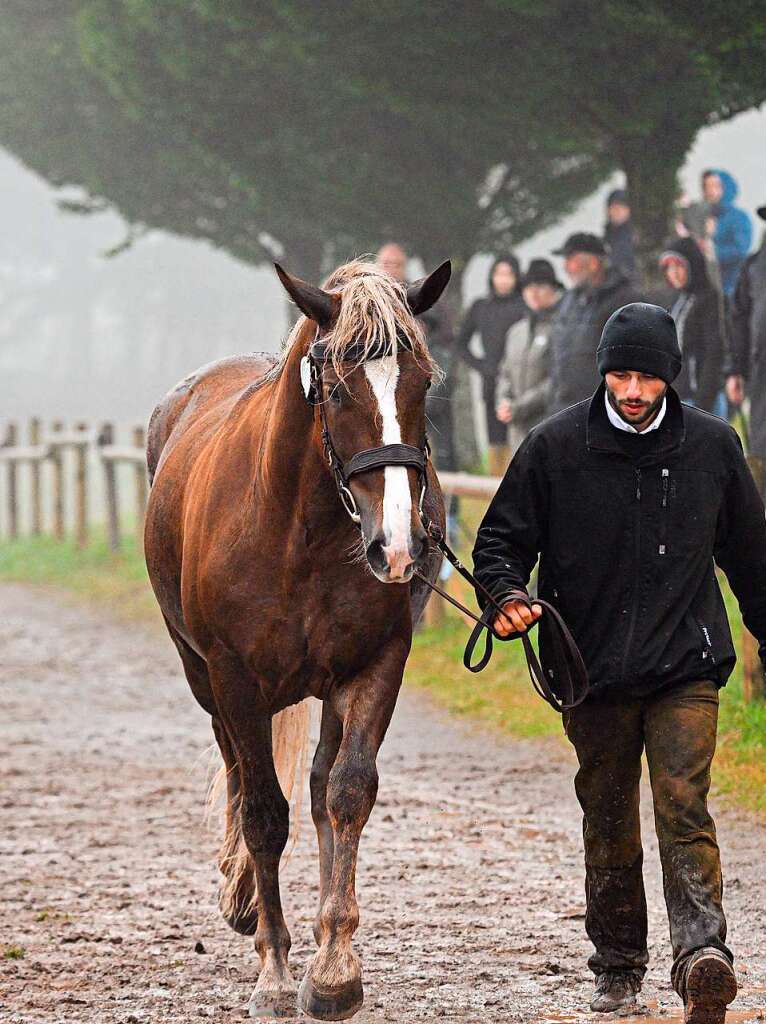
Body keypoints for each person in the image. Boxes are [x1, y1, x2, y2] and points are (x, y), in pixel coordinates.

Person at [473, 303, 766, 1022]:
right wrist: (507, 595)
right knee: (608, 817)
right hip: (590, 668)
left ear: (670, 377)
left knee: (682, 801)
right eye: (621, 374)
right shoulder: (553, 446)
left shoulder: (712, 447)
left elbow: (753, 560)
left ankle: (703, 956)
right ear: (603, 372)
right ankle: (618, 960)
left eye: (647, 376)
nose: (633, 390)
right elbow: (499, 544)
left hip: (685, 664)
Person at [547, 232, 638, 414]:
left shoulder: (623, 299)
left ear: (593, 264)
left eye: (571, 260)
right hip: (566, 410)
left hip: (606, 413)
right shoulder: (568, 303)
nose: (565, 268)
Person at [456, 255, 527, 474]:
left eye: (509, 275)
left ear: (517, 277)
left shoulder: (524, 305)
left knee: (522, 439)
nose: (503, 280)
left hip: (522, 384)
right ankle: (496, 493)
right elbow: (461, 344)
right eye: (499, 274)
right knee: (496, 441)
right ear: (492, 277)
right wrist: (482, 366)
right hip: (491, 382)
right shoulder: (481, 307)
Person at [495, 259, 563, 454]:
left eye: (540, 286)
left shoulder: (561, 328)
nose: (533, 292)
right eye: (528, 287)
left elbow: (557, 379)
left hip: (548, 422)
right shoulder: (516, 331)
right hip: (517, 430)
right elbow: (504, 372)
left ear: (553, 289)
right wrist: (504, 402)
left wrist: (520, 407)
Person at [659, 238, 725, 412]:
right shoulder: (676, 300)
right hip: (677, 397)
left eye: (679, 266)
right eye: (668, 267)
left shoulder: (710, 299)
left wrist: (703, 402)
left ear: (692, 266)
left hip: (701, 400)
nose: (673, 273)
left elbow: (714, 352)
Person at [727, 203, 766, 477]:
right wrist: (736, 370)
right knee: (761, 448)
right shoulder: (754, 266)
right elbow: (738, 319)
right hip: (761, 373)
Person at [691, 170, 752, 298]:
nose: (710, 191)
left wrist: (712, 251)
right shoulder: (703, 216)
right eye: (707, 186)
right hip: (704, 290)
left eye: (716, 186)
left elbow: (740, 251)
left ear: (726, 187)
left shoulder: (739, 218)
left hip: (731, 288)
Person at [604, 188, 637, 283]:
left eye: (621, 207)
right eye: (613, 207)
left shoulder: (633, 234)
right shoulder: (608, 236)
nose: (616, 211)